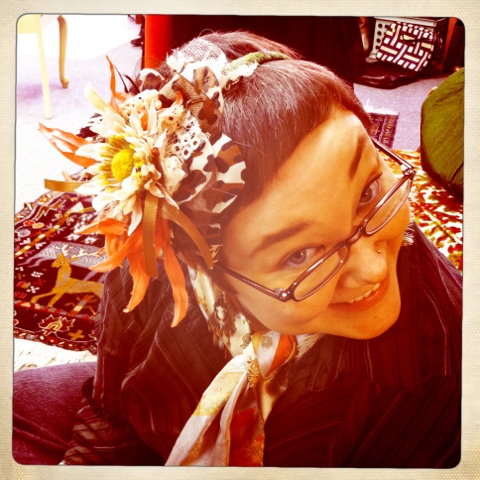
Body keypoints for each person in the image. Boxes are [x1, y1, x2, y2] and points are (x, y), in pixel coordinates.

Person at [13, 31, 461, 468]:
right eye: (300, 255)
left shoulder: (445, 371)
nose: (372, 269)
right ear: (205, 270)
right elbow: (111, 414)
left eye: (366, 192)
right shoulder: (155, 245)